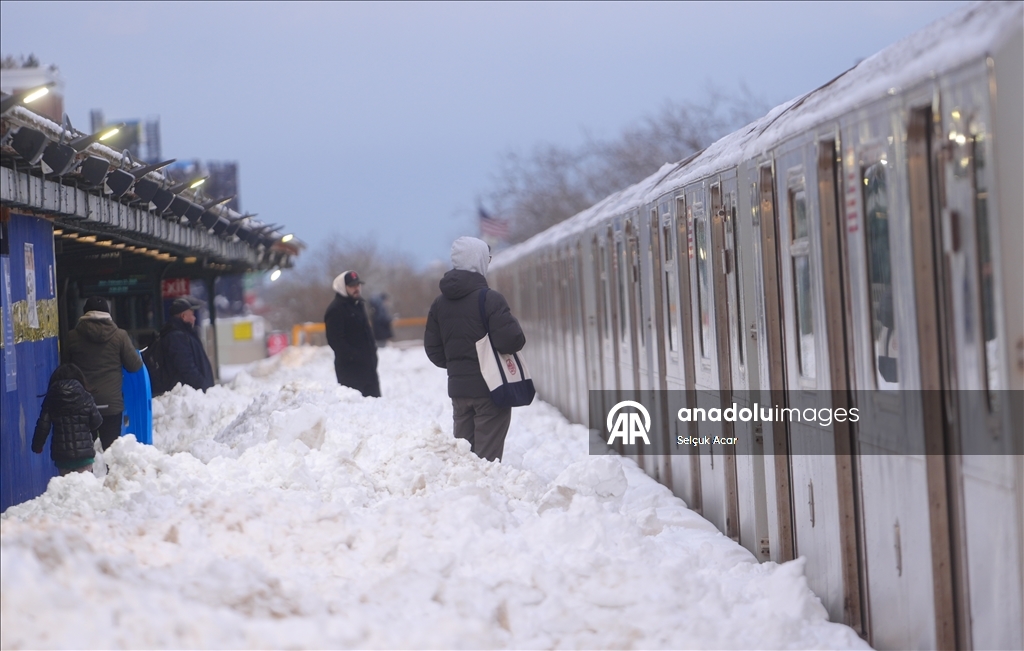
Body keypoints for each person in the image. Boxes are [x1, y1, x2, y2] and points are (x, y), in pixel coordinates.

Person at [424, 236, 525, 462]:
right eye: (486, 258)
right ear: (478, 260)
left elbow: (433, 349)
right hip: (491, 389)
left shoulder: (439, 303)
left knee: (464, 457)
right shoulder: (490, 299)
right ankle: (484, 494)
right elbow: (511, 341)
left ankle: (464, 494)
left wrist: (458, 365)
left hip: (459, 390)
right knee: (485, 462)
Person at [65, 296, 143, 451]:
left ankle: (85, 475)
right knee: (112, 452)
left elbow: (65, 369)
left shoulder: (72, 337)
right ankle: (113, 474)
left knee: (83, 451)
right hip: (111, 405)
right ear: (108, 314)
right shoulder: (120, 336)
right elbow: (135, 366)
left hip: (83, 403)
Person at [32, 363, 103, 476]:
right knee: (85, 488)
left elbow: (43, 425)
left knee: (67, 488)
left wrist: (37, 446)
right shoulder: (85, 396)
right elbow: (96, 422)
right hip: (84, 456)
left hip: (63, 458)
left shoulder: (51, 397)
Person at [325, 270, 380, 397]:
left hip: (369, 371)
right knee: (356, 411)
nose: (356, 288)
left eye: (358, 285)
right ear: (343, 288)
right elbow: (336, 341)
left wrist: (372, 354)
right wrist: (356, 356)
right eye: (352, 286)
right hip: (351, 372)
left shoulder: (358, 304)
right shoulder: (335, 309)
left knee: (376, 411)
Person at [160, 296, 215, 392]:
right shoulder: (176, 337)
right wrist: (204, 386)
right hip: (189, 394)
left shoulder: (183, 334)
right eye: (192, 315)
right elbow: (187, 368)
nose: (194, 318)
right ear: (183, 316)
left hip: (192, 392)